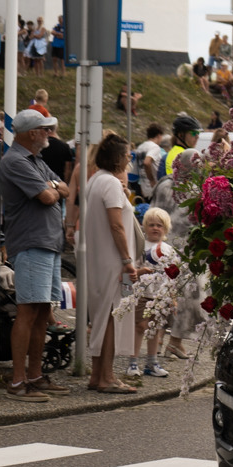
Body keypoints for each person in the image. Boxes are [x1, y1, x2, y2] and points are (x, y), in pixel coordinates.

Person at [0, 109, 72, 402]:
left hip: (46, 243)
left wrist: (52, 187)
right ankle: (18, 381)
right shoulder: (15, 161)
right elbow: (49, 196)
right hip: (31, 243)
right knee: (28, 310)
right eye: (45, 129)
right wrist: (52, 188)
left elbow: (63, 189)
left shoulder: (35, 160)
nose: (49, 134)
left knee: (41, 310)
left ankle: (35, 375)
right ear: (32, 133)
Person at [82, 133, 139, 393]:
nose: (129, 159)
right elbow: (117, 225)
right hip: (114, 261)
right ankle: (107, 377)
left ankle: (98, 375)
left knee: (102, 316)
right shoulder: (111, 183)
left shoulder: (95, 180)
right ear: (117, 158)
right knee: (112, 317)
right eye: (127, 155)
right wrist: (127, 261)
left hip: (98, 259)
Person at [151, 149, 203, 359]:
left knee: (163, 294)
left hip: (161, 247)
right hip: (186, 250)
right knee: (186, 299)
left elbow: (153, 212)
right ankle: (175, 342)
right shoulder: (194, 189)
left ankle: (158, 341)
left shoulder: (164, 184)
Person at [128, 207, 178, 378]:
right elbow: (131, 270)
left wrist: (173, 297)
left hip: (160, 295)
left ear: (166, 228)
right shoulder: (139, 246)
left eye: (159, 225)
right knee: (140, 326)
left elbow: (173, 275)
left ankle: (151, 362)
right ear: (144, 226)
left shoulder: (169, 250)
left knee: (155, 328)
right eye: (151, 225)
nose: (155, 228)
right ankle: (133, 362)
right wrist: (140, 271)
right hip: (142, 293)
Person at [162, 114, 201, 179]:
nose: (197, 137)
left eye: (198, 133)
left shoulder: (175, 151)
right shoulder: (183, 154)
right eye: (194, 133)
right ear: (180, 135)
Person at [134, 123, 167, 200]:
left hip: (143, 187)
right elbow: (147, 162)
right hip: (153, 187)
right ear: (159, 135)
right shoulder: (155, 147)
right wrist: (152, 180)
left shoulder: (140, 147)